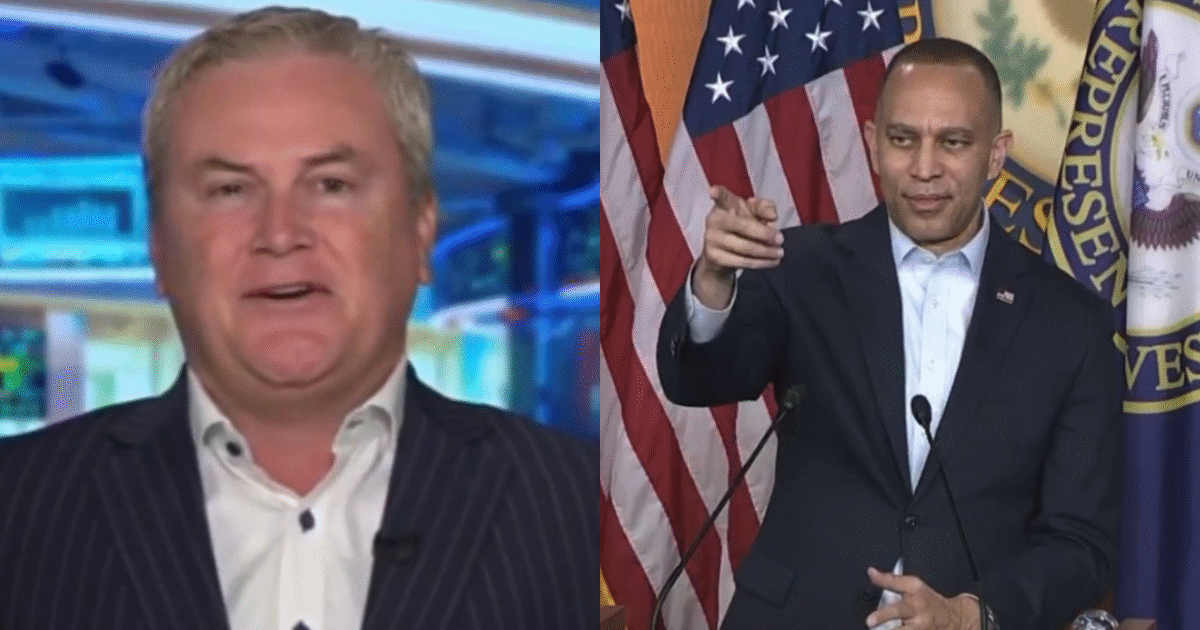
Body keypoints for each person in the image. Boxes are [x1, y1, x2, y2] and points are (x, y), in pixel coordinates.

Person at [0, 7, 597, 630]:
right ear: (161, 250)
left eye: (331, 184)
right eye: (231, 190)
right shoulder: (20, 509)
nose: (280, 234)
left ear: (421, 232)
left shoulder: (583, 510)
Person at [657, 38, 1121, 630]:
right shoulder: (800, 269)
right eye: (903, 140)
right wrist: (715, 280)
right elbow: (697, 379)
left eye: (953, 142)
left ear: (996, 155)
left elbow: (1080, 541)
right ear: (874, 144)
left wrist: (973, 614)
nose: (925, 168)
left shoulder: (1068, 322)